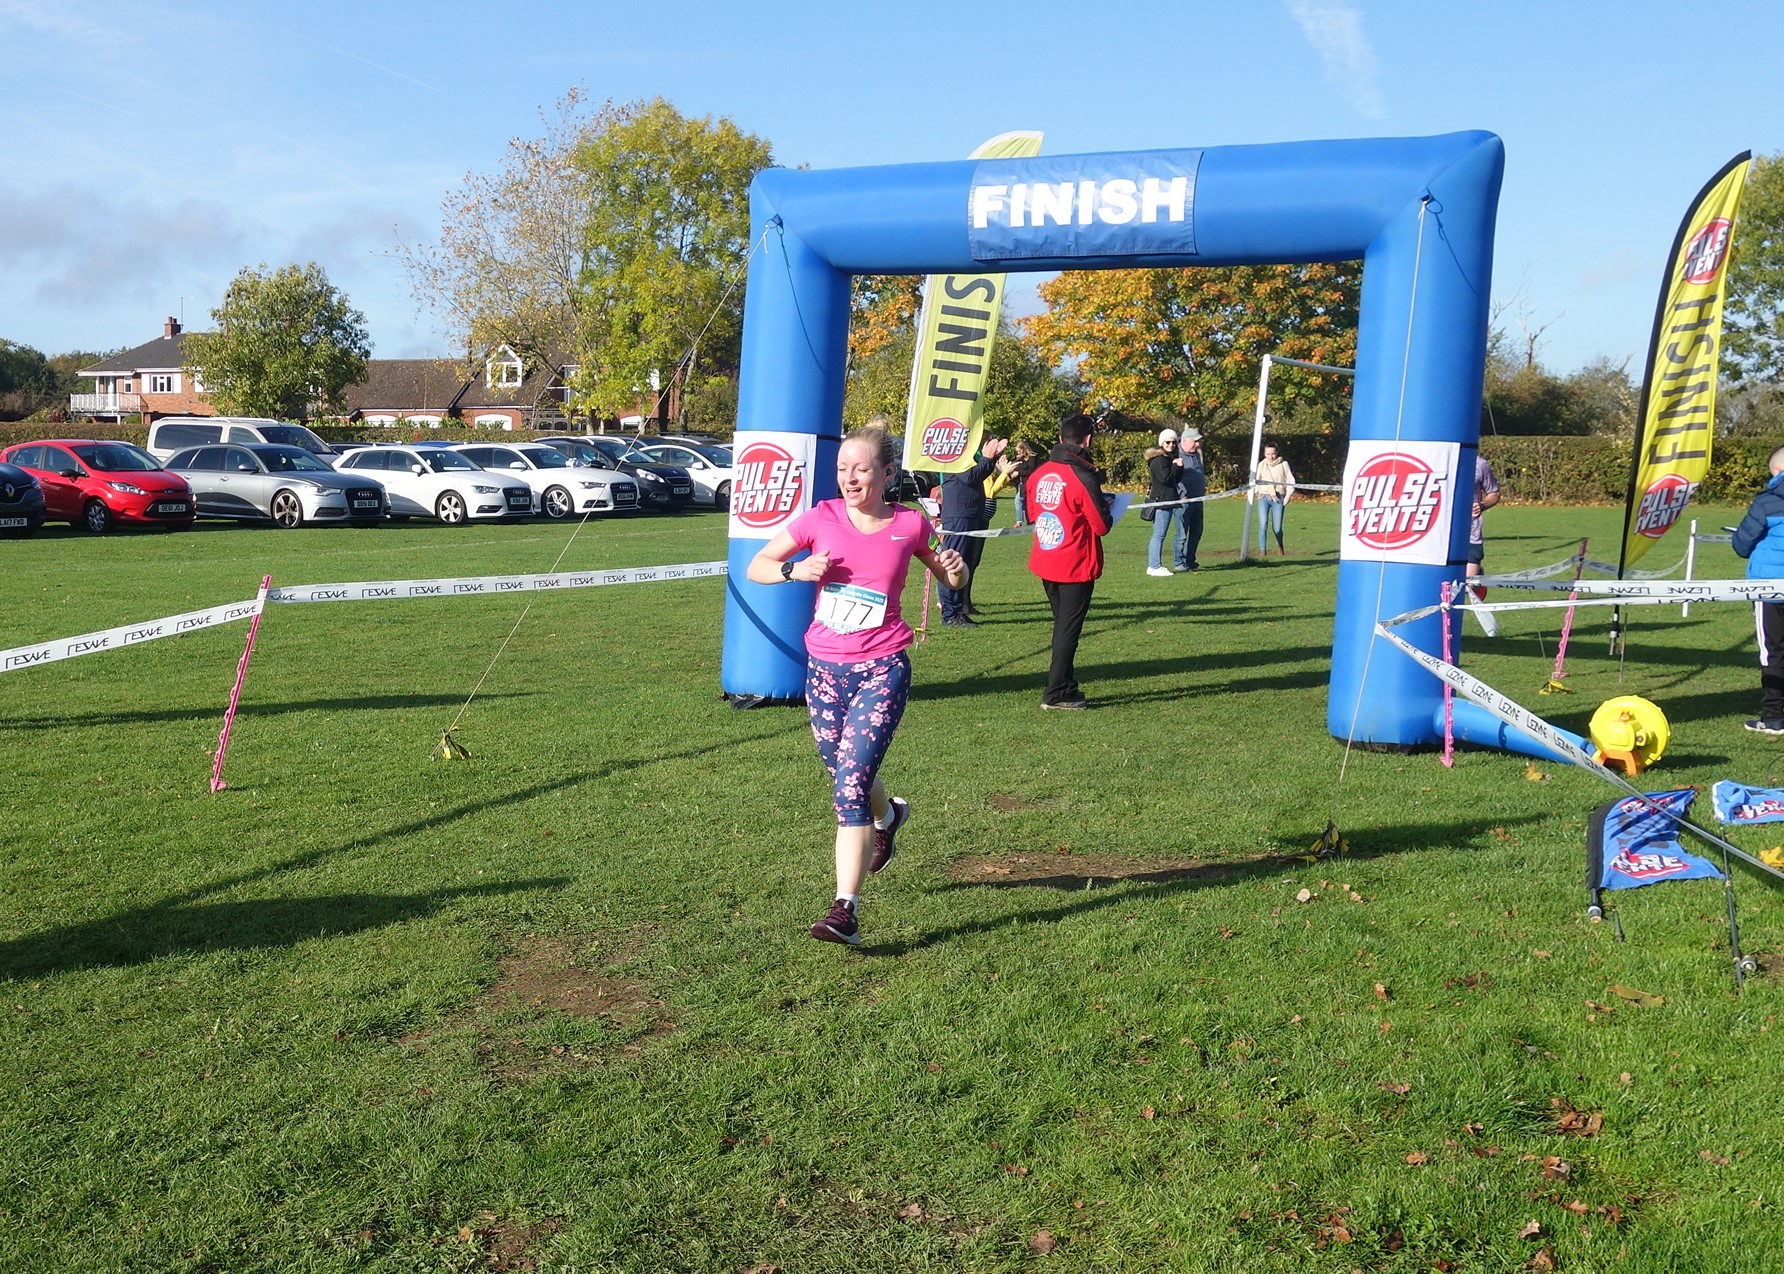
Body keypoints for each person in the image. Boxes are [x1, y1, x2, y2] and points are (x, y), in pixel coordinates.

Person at [747, 424, 968, 945]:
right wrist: (795, 572)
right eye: (843, 468)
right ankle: (890, 816)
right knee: (848, 774)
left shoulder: (911, 525)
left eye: (861, 469)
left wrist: (955, 573)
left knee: (848, 788)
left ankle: (844, 909)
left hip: (882, 668)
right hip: (823, 671)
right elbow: (758, 565)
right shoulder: (820, 518)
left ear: (887, 474)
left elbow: (951, 577)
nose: (849, 477)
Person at [1026, 413, 1114, 709]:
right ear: (1087, 440)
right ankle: (1055, 693)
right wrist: (1107, 507)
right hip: (1074, 563)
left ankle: (1065, 684)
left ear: (1062, 438)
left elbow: (1033, 515)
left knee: (1062, 626)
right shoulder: (1083, 475)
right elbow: (1102, 526)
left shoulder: (1039, 472)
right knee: (1068, 631)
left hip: (1047, 557)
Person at [1731, 445, 1784, 735]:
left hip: (1770, 586)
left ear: (1776, 471)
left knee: (1772, 651)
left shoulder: (1768, 501)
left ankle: (1773, 716)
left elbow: (1741, 545)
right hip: (1771, 584)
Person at [936, 437, 1008, 627]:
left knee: (963, 565)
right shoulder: (955, 454)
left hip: (967, 515)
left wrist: (990, 460)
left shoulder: (964, 454)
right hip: (958, 516)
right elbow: (969, 476)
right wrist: (987, 459)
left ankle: (958, 610)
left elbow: (977, 474)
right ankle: (950, 613)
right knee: (952, 564)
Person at [1466, 453, 1502, 636]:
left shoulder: (1480, 464)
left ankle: (1478, 575)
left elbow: (1494, 493)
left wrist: (1482, 505)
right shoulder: (1440, 459)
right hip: (1443, 534)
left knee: (1467, 587)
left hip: (1471, 534)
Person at [1143, 428, 1185, 577]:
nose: (1171, 445)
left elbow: (1176, 479)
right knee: (1159, 534)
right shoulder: (1159, 460)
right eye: (1168, 442)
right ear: (1162, 443)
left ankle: (1155, 565)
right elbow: (1165, 479)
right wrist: (1175, 466)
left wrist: (1179, 467)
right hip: (1162, 500)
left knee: (1161, 533)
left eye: (1174, 442)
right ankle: (1154, 566)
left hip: (1169, 500)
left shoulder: (1168, 459)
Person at [1252, 441, 1295, 555]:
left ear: (1277, 453)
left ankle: (1279, 545)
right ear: (1264, 454)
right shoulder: (1261, 465)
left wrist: (1288, 496)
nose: (1270, 457)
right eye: (1268, 454)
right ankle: (1262, 551)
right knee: (1263, 524)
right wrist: (1254, 492)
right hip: (1263, 497)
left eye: (1273, 454)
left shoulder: (1283, 464)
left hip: (1278, 498)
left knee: (1277, 528)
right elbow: (1255, 481)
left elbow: (1291, 481)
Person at [1175, 427, 1206, 571]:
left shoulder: (1197, 455)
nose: (1197, 444)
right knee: (1181, 534)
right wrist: (1182, 494)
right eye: (1195, 441)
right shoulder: (1176, 456)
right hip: (1184, 502)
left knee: (1197, 531)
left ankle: (1191, 561)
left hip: (1198, 499)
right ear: (1184, 441)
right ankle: (1178, 562)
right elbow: (1173, 479)